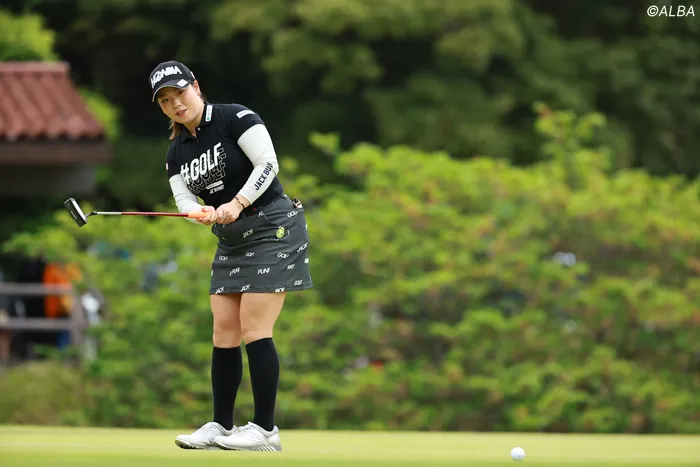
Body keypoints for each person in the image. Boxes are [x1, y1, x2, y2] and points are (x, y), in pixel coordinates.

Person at [149, 60, 312, 452]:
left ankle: (265, 430)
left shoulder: (235, 118)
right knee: (223, 331)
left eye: (180, 93)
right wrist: (199, 213)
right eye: (166, 101)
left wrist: (237, 202)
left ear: (196, 86)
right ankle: (221, 425)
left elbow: (268, 164)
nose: (176, 104)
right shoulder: (176, 153)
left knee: (254, 327)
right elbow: (184, 200)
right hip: (232, 239)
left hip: (273, 227)